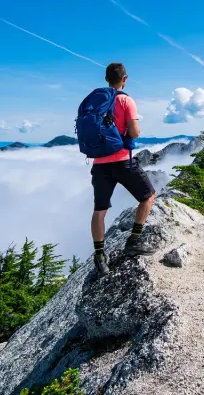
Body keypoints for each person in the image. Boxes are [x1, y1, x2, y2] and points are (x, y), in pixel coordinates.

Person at [90, 62, 156, 275]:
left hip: (99, 164)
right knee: (148, 196)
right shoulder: (126, 100)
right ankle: (134, 241)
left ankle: (99, 257)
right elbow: (134, 132)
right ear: (125, 79)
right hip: (122, 160)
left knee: (99, 211)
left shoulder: (96, 102)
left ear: (106, 79)